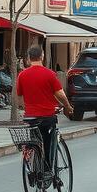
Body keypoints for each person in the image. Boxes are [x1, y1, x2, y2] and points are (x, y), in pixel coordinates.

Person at [16, 45, 74, 173]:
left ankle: (32, 167)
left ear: (28, 59)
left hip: (30, 117)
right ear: (42, 56)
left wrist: (26, 107)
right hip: (47, 116)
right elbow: (60, 94)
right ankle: (47, 170)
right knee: (48, 140)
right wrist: (67, 106)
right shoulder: (49, 74)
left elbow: (19, 97)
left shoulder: (22, 75)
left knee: (34, 139)